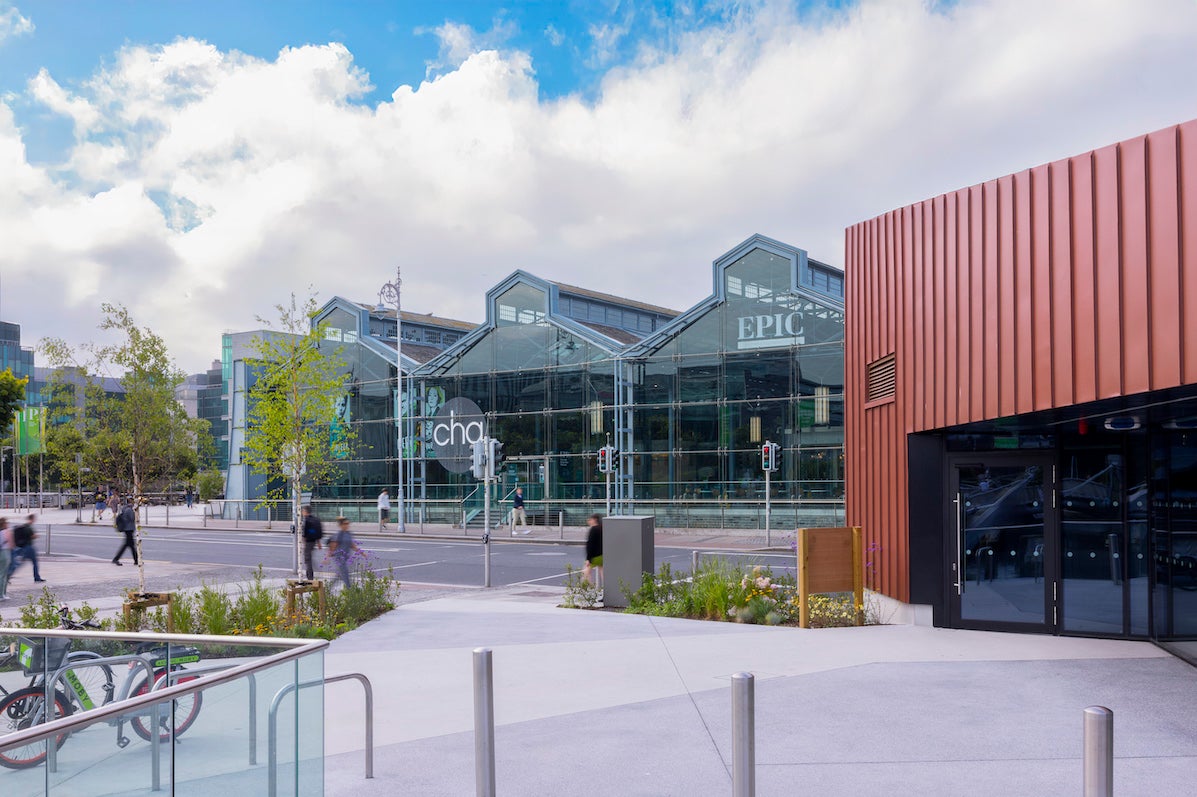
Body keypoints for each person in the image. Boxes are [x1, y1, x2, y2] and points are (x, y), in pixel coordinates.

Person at [9, 514, 45, 583]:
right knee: (33, 562)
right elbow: (33, 536)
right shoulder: (29, 527)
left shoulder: (24, 526)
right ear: (32, 519)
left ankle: (8, 575)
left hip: (24, 547)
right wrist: (36, 535)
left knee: (19, 563)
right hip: (29, 547)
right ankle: (37, 578)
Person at [328, 516, 360, 589]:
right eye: (345, 524)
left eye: (348, 523)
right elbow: (333, 545)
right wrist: (328, 557)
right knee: (345, 573)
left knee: (339, 575)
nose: (347, 525)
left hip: (346, 558)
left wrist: (361, 553)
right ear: (341, 525)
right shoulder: (339, 534)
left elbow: (352, 545)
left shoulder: (349, 533)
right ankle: (350, 589)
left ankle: (328, 588)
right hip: (339, 558)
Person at [112, 498, 138, 566]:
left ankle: (136, 560)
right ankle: (116, 559)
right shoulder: (129, 509)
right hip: (129, 529)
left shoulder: (124, 508)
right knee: (128, 545)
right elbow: (132, 518)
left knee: (130, 545)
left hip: (127, 529)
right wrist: (135, 511)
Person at [301, 505, 324, 581]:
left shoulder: (306, 520)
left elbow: (304, 533)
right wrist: (318, 542)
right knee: (309, 558)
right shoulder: (316, 519)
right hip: (314, 541)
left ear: (305, 511)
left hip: (308, 542)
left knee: (308, 559)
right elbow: (317, 531)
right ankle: (310, 574)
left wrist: (303, 543)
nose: (302, 513)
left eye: (303, 511)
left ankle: (310, 577)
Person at [583, 513, 603, 590]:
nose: (588, 521)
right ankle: (607, 591)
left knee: (586, 572)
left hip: (595, 557)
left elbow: (590, 545)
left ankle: (589, 588)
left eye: (590, 519)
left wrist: (588, 559)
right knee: (603, 574)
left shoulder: (593, 529)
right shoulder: (602, 528)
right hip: (602, 555)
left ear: (594, 520)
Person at [0, 518, 12, 600]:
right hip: (5, 552)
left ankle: (2, 593)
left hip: (2, 552)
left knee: (2, 574)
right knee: (3, 574)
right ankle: (2, 594)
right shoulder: (5, 532)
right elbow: (11, 543)